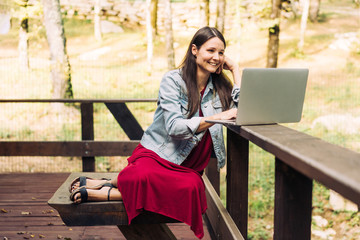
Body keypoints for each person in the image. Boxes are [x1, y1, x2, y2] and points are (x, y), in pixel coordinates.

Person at [69, 26, 241, 239]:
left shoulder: (220, 87)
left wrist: (235, 70)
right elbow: (175, 127)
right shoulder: (173, 81)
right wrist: (217, 117)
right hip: (161, 154)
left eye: (221, 53)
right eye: (211, 51)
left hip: (190, 165)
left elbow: (241, 109)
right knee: (138, 176)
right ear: (194, 50)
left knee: (192, 188)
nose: (216, 57)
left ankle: (108, 186)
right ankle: (106, 192)